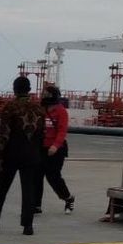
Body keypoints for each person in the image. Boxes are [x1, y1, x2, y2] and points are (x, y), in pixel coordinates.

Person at [0, 76, 46, 235]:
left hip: (11, 154)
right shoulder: (39, 109)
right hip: (32, 155)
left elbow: (3, 134)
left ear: (15, 89)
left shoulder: (10, 107)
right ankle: (28, 226)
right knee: (29, 190)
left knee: (1, 188)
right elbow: (42, 134)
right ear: (28, 89)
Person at [34, 84, 74, 215]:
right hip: (41, 147)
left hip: (56, 150)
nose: (43, 96)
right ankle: (36, 205)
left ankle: (68, 198)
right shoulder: (41, 109)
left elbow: (62, 131)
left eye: (46, 94)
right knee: (37, 176)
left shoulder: (61, 111)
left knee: (53, 176)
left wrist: (55, 146)